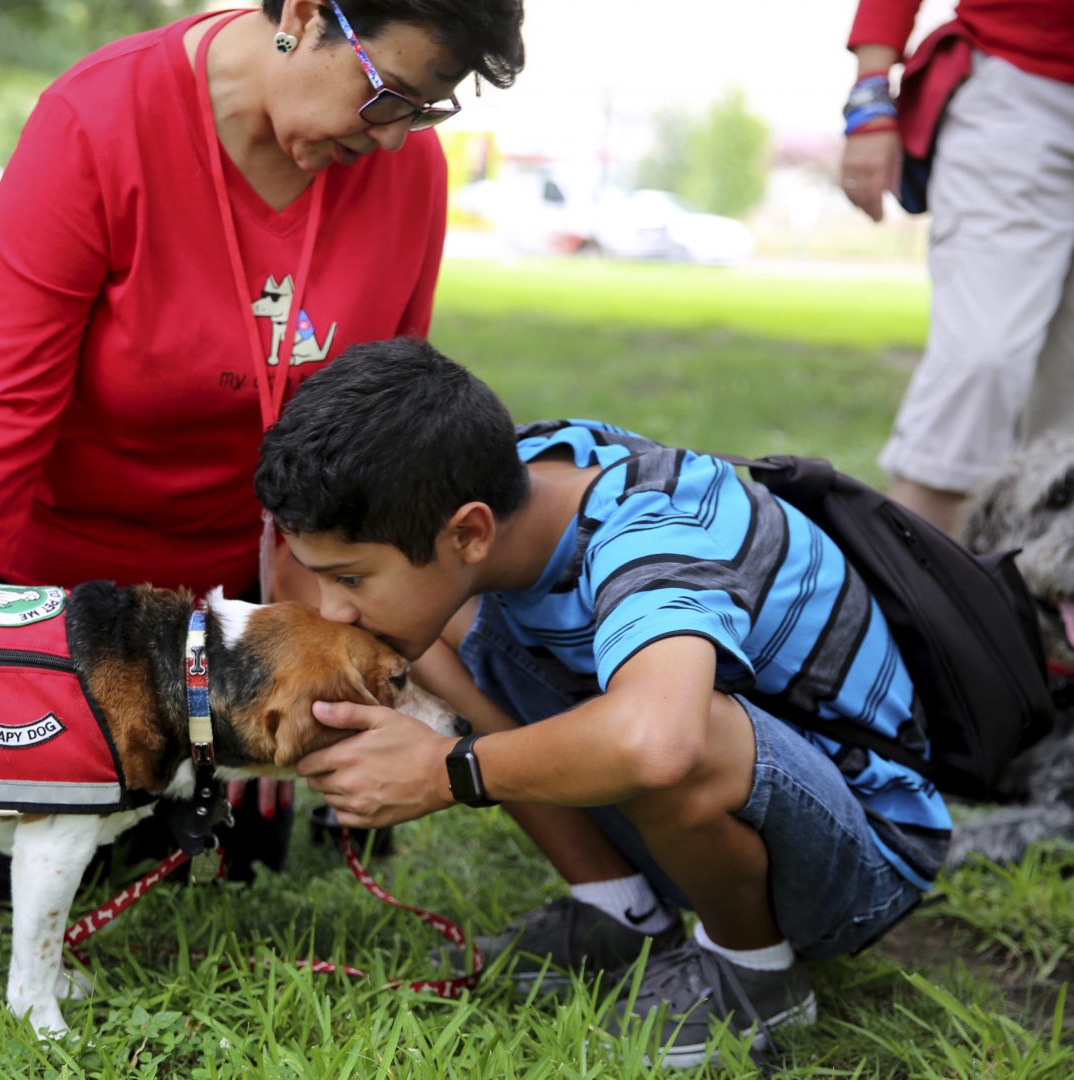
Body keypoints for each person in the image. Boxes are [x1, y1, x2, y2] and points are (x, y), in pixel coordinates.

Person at [0, 2, 526, 888]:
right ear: (298, 14)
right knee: (12, 844)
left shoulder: (401, 171)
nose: (395, 139)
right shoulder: (100, 120)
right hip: (28, 548)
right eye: (385, 96)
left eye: (423, 110)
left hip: (216, 574)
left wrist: (302, 638)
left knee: (219, 861)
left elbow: (369, 433)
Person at [254, 340, 951, 1067]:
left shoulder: (651, 537)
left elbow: (660, 742)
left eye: (352, 579)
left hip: (861, 858)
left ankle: (752, 975)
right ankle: (622, 914)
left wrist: (443, 771)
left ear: (468, 530)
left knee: (677, 728)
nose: (335, 609)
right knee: (418, 636)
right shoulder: (517, 474)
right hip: (735, 804)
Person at [839, 0, 1074, 536]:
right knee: (977, 368)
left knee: (1067, 420)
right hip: (1020, 90)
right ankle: (913, 609)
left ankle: (1034, 612)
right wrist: (870, 100)